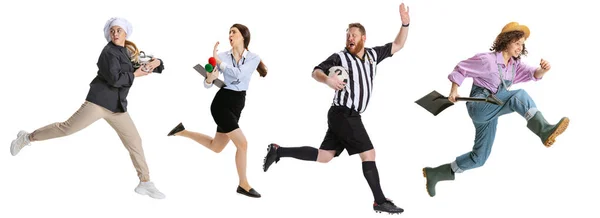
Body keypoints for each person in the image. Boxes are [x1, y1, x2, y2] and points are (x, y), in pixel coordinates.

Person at [261, 3, 410, 214]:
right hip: (344, 114)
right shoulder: (340, 57)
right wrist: (327, 80)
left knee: (325, 156)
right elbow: (316, 71)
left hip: (345, 115)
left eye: (354, 35)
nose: (350, 38)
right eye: (348, 35)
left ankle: (278, 151)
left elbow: (398, 44)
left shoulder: (373, 55)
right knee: (369, 154)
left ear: (363, 38)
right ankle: (379, 201)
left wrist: (405, 23)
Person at [9, 17, 166, 199]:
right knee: (66, 129)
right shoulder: (108, 52)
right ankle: (27, 137)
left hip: (117, 107)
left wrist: (157, 63)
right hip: (99, 102)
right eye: (112, 30)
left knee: (135, 142)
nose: (115, 33)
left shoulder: (127, 52)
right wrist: (135, 74)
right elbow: (116, 78)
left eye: (119, 31)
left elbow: (145, 65)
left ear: (125, 34)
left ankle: (145, 182)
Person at [422, 22, 570, 197]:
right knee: (518, 96)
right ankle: (544, 129)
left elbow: (533, 74)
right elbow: (462, 67)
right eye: (517, 43)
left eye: (522, 44)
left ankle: (436, 173)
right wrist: (454, 90)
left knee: (480, 158)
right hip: (480, 105)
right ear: (506, 41)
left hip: (492, 111)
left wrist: (542, 70)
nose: (520, 47)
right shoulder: (487, 60)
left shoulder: (514, 66)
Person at [167, 23, 268, 198]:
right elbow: (208, 84)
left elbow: (239, 74)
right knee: (242, 144)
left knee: (217, 146)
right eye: (229, 32)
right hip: (222, 103)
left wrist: (220, 64)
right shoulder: (221, 56)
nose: (230, 35)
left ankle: (182, 131)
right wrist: (209, 78)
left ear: (243, 36)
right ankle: (243, 184)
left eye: (234, 32)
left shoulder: (253, 58)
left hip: (238, 103)